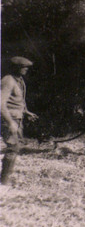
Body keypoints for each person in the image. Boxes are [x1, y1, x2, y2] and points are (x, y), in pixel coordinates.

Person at [1, 56, 38, 184]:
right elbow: (1, 104)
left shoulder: (19, 80)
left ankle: (5, 178)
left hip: (17, 118)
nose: (26, 69)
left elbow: (17, 100)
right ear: (16, 68)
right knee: (13, 147)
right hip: (9, 119)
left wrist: (26, 112)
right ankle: (3, 182)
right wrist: (10, 122)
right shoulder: (8, 81)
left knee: (15, 147)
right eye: (24, 67)